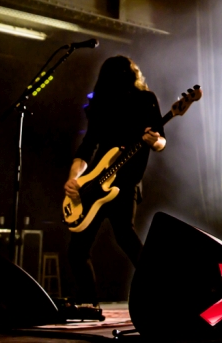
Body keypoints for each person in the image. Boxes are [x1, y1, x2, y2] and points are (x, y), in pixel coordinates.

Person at [64, 55, 166, 305]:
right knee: (77, 249)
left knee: (125, 237)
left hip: (126, 181)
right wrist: (74, 179)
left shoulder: (146, 99)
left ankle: (160, 295)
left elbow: (161, 141)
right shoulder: (100, 105)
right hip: (95, 182)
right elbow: (88, 146)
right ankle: (88, 303)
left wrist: (154, 141)